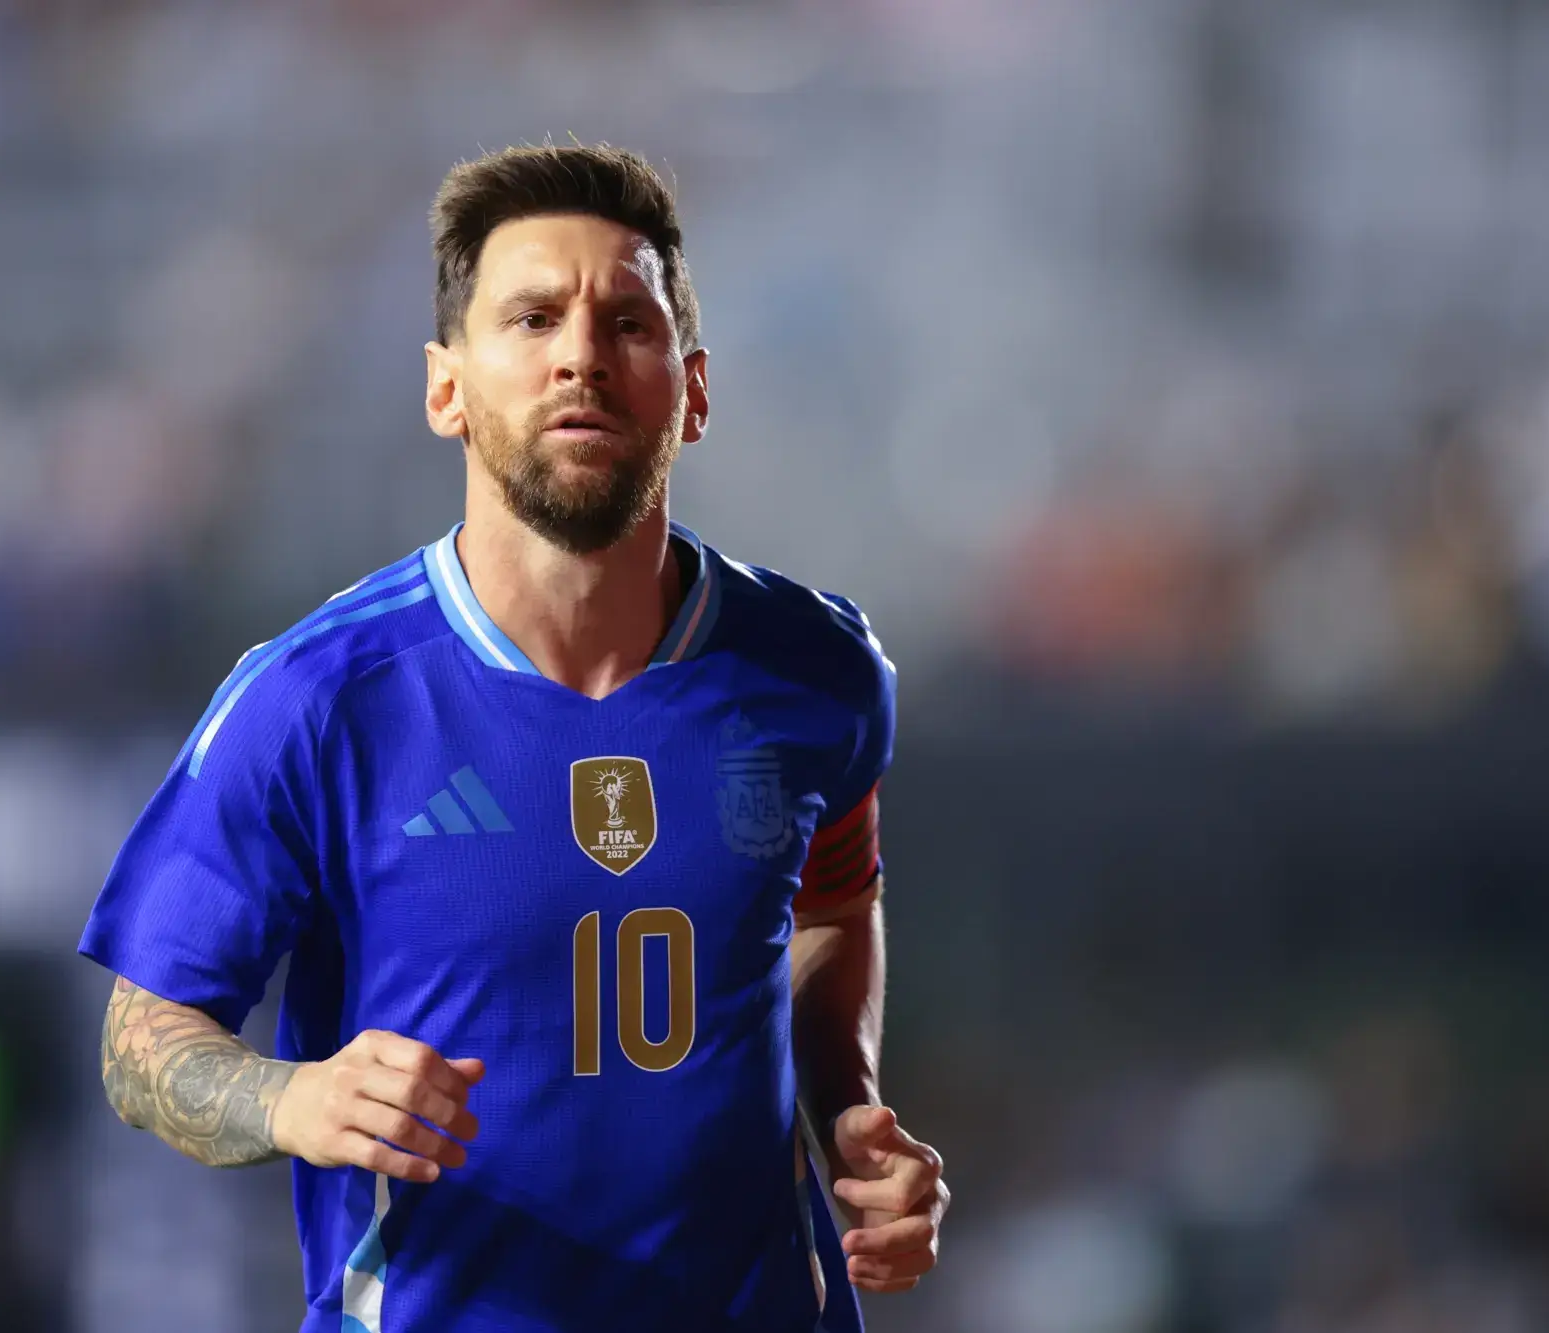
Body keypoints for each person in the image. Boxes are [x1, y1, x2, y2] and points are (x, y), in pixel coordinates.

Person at [81, 142, 949, 1332]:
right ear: (446, 387)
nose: (580, 355)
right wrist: (291, 1099)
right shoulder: (317, 699)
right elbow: (141, 1042)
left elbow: (829, 905)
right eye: (531, 318)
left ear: (693, 389)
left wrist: (848, 1110)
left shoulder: (818, 671)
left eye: (626, 324)